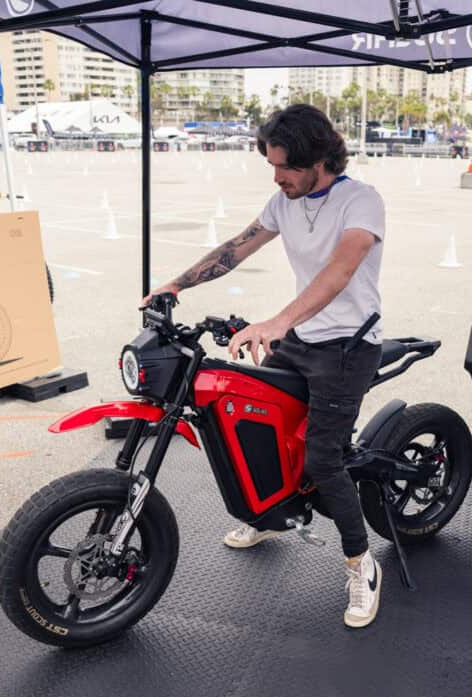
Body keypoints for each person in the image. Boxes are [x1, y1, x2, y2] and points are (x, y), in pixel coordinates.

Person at [145, 104, 387, 628]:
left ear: (319, 159)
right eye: (272, 167)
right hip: (304, 336)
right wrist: (177, 283)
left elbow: (340, 272)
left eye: (286, 168)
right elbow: (236, 248)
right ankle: (273, 512)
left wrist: (277, 322)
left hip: (348, 346)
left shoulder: (360, 202)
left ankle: (361, 563)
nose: (277, 178)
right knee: (253, 415)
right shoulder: (284, 200)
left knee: (325, 460)